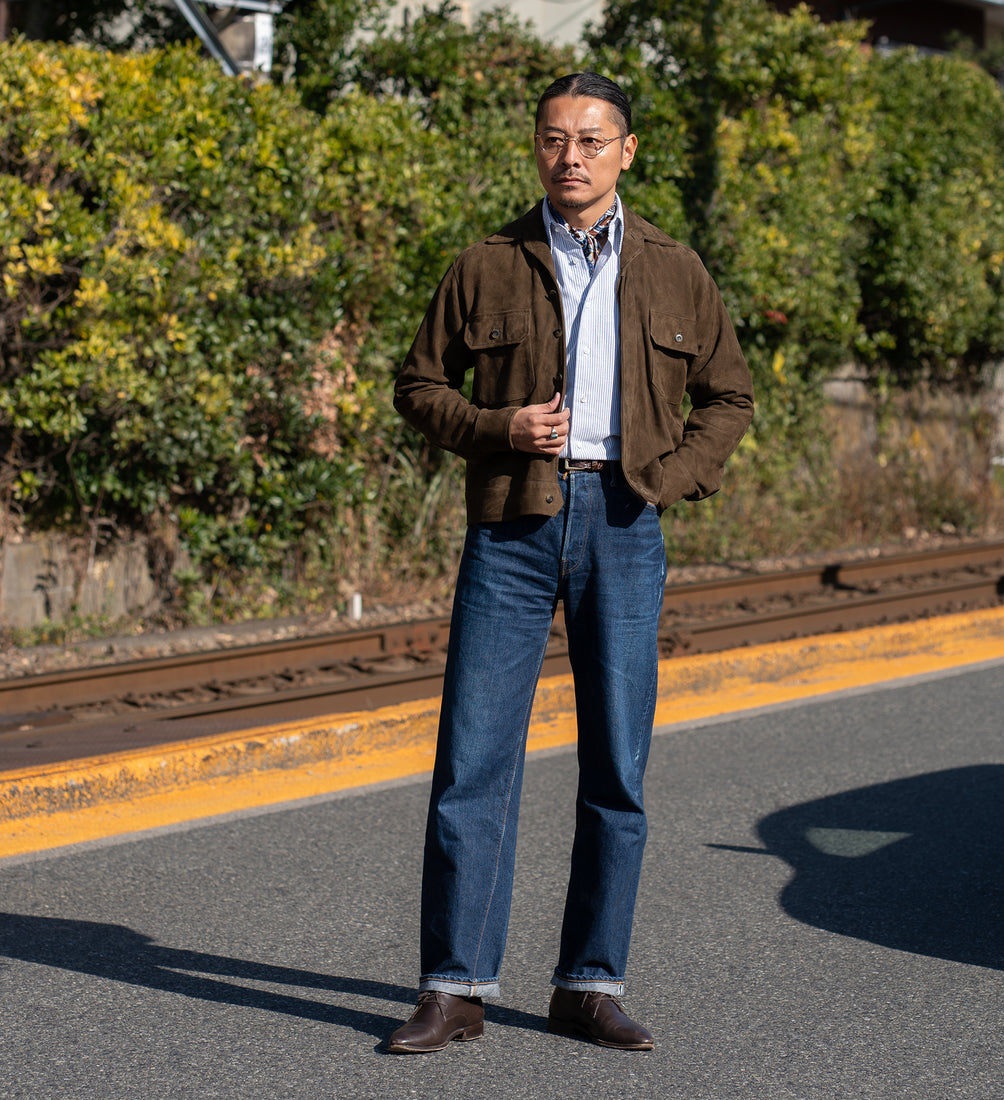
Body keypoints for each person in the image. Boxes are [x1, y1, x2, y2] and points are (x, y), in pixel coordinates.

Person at [387, 72, 754, 1054]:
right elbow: (417, 383)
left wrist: (670, 477)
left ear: (625, 151)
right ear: (536, 147)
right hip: (512, 520)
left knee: (616, 767)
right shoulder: (486, 263)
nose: (570, 156)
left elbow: (728, 396)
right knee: (472, 760)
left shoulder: (675, 270)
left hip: (623, 521)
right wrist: (493, 423)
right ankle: (452, 987)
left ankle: (588, 982)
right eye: (554, 138)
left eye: (590, 139)